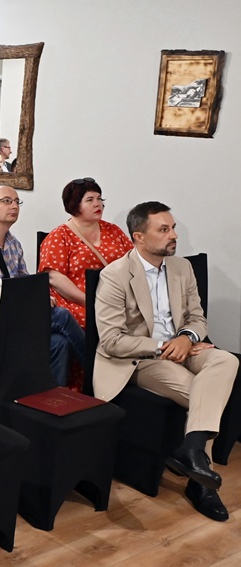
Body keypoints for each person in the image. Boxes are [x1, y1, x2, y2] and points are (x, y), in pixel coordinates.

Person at [94, 201, 239, 522]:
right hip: (139, 359)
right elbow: (113, 341)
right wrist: (165, 346)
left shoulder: (182, 268)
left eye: (173, 227)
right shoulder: (115, 276)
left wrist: (187, 337)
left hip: (184, 348)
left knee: (226, 361)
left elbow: (198, 318)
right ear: (139, 237)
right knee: (196, 391)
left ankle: (192, 449)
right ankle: (203, 486)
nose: (174, 235)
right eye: (164, 229)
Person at [0, 184, 85, 388]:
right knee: (62, 316)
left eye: (16, 202)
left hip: (8, 311)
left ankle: (53, 400)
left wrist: (38, 298)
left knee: (59, 343)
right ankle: (95, 368)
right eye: (6, 201)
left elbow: (24, 284)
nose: (14, 206)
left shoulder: (13, 244)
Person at [38, 177, 134, 328]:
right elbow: (54, 278)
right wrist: (91, 301)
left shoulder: (113, 230)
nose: (98, 204)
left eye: (99, 198)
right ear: (74, 204)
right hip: (79, 304)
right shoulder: (59, 236)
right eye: (90, 200)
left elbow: (134, 261)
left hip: (117, 301)